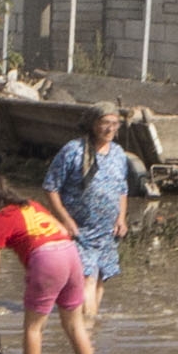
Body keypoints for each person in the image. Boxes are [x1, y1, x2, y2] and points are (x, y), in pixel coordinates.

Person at [0, 178, 94, 354]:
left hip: (46, 260)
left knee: (33, 328)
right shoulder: (30, 205)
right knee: (75, 325)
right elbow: (62, 231)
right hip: (71, 255)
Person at [45, 106, 141, 317]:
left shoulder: (117, 153)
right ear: (93, 123)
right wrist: (66, 220)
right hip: (79, 230)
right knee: (85, 278)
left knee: (99, 280)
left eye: (115, 124)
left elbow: (122, 190)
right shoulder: (73, 150)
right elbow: (51, 188)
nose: (110, 128)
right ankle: (85, 328)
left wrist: (121, 218)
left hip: (107, 231)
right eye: (105, 122)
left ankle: (91, 326)